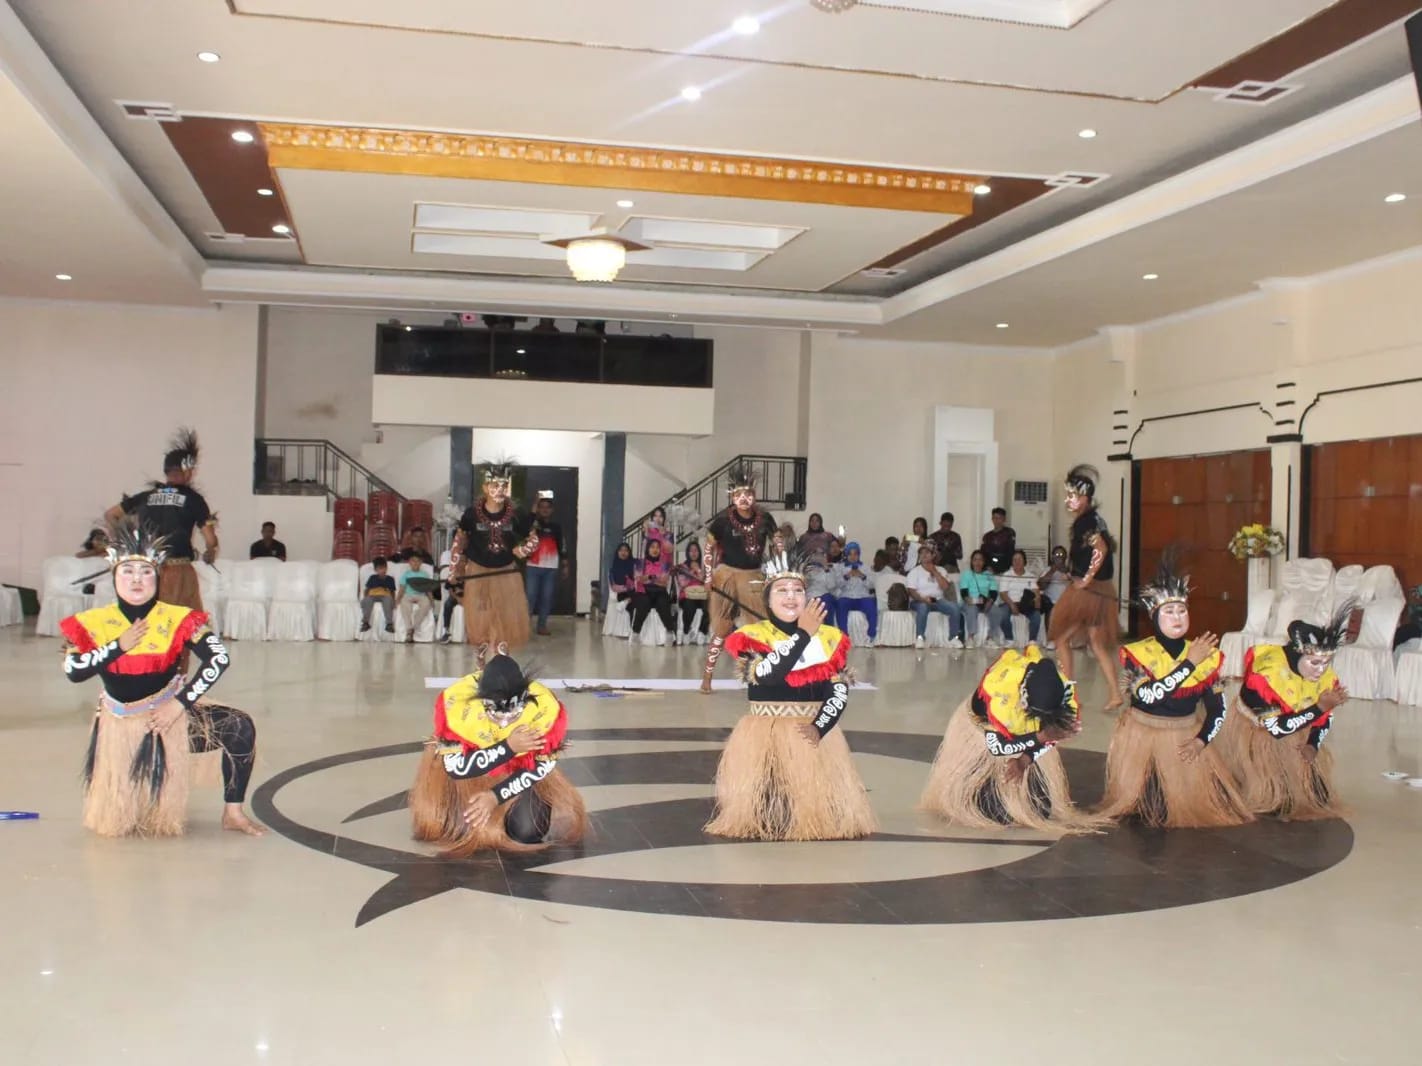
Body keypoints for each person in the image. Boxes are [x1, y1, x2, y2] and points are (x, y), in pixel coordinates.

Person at [58, 522, 261, 837]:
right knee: (122, 823)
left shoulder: (178, 618)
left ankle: (233, 812)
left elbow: (219, 658)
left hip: (167, 718)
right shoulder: (92, 622)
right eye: (128, 572)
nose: (136, 579)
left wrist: (179, 705)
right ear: (114, 577)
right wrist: (118, 646)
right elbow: (74, 671)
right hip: (120, 725)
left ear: (158, 577)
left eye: (146, 572)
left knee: (239, 727)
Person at [705, 551, 875, 840]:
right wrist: (802, 635)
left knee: (820, 817)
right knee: (771, 816)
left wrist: (819, 727)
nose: (791, 596)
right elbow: (769, 674)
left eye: (798, 590)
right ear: (768, 599)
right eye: (782, 590)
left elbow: (838, 689)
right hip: (766, 737)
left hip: (812, 734)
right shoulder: (753, 636)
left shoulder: (828, 637)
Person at [1097, 559, 1251, 828]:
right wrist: (1189, 663)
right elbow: (1150, 696)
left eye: (1182, 610)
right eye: (1169, 611)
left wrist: (1201, 741)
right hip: (1144, 738)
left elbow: (1218, 710)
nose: (1178, 617)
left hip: (1185, 738)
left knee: (1208, 804)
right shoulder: (1139, 654)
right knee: (1151, 809)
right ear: (1155, 616)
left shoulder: (1205, 655)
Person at [410, 649, 586, 857]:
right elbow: (456, 768)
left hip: (519, 773)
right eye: (496, 716)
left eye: (512, 716)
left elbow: (543, 766)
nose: (504, 723)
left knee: (528, 831)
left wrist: (495, 796)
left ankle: (506, 811)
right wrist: (508, 747)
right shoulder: (457, 709)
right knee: (452, 828)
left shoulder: (545, 711)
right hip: (467, 778)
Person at [920, 646, 1099, 833]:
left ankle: (1013, 795)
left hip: (1024, 744)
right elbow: (996, 747)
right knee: (994, 812)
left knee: (1040, 809)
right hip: (986, 737)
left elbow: (1054, 736)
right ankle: (975, 789)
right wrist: (1039, 737)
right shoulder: (999, 696)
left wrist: (1026, 759)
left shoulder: (1062, 697)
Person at [1218, 606, 1352, 820]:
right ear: (1298, 655)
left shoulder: (1325, 678)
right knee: (1275, 799)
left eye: (1326, 663)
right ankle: (1251, 776)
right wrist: (1319, 707)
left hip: (1297, 726)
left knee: (1318, 796)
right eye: (1315, 663)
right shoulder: (1265, 676)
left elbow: (1325, 718)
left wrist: (1312, 744)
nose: (1320, 670)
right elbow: (1277, 730)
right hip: (1260, 732)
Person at [105, 427, 217, 613]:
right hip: (178, 572)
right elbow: (210, 538)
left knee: (148, 620)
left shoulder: (146, 496)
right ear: (187, 470)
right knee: (183, 622)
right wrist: (211, 549)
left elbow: (110, 514)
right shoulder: (194, 500)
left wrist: (123, 544)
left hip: (147, 571)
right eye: (191, 470)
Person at [1048, 465, 1122, 712]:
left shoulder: (1086, 523)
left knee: (1061, 638)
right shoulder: (1094, 519)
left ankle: (1069, 695)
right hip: (1100, 590)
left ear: (1085, 498)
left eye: (1073, 496)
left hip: (1089, 593)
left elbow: (1101, 548)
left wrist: (1086, 579)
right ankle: (1115, 693)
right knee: (1096, 644)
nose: (1068, 500)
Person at [700, 464, 779, 694]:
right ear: (732, 497)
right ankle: (707, 676)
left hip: (753, 577)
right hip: (726, 576)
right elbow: (709, 548)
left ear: (754, 496)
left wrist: (778, 574)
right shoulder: (722, 521)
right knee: (721, 628)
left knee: (761, 628)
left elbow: (777, 546)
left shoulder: (766, 519)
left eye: (748, 494)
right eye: (739, 494)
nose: (744, 499)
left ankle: (764, 676)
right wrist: (708, 576)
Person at [452, 459, 538, 650]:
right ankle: (481, 658)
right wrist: (454, 571)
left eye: (504, 486)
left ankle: (501, 656)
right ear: (485, 487)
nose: (499, 490)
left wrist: (523, 550)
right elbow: (459, 542)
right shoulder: (471, 514)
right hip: (478, 571)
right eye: (494, 486)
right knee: (480, 616)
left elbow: (534, 538)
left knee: (505, 616)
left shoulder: (516, 514)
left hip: (506, 572)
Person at [524, 493, 568, 637]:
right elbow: (527, 525)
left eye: (547, 507)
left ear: (552, 510)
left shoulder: (556, 527)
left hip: (550, 568)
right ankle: (525, 626)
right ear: (538, 509)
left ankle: (542, 625)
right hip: (533, 566)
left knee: (547, 597)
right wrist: (534, 504)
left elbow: (562, 545)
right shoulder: (533, 524)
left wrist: (565, 564)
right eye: (541, 507)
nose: (544, 510)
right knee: (530, 596)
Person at [905, 544, 963, 650]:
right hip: (918, 600)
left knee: (955, 608)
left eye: (927, 552)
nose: (924, 555)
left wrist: (934, 572)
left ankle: (953, 638)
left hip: (937, 600)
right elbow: (911, 591)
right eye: (921, 553)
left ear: (933, 555)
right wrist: (922, 599)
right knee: (923, 607)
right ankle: (920, 638)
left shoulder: (941, 570)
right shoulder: (914, 571)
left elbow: (945, 587)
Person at [630, 539, 677, 639]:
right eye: (652, 547)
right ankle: (635, 633)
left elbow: (664, 581)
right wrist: (655, 577)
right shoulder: (640, 563)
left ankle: (669, 632)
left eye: (657, 547)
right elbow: (638, 578)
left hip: (660, 591)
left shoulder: (664, 564)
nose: (655, 550)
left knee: (663, 604)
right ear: (647, 549)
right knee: (643, 604)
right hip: (643, 591)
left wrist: (649, 577)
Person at [959, 550, 1005, 648]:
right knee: (971, 609)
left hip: (984, 602)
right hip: (969, 601)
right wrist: (969, 600)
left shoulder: (988, 575)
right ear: (972, 562)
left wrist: (990, 602)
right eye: (975, 560)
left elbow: (993, 592)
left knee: (997, 612)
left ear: (984, 562)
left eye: (980, 560)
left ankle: (990, 638)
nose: (978, 562)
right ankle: (970, 638)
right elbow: (963, 592)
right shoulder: (967, 574)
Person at [833, 541, 878, 641]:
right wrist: (847, 576)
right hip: (846, 596)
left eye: (855, 554)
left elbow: (872, 585)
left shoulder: (865, 568)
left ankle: (872, 634)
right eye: (850, 554)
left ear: (859, 554)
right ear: (846, 555)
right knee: (841, 605)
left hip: (862, 596)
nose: (853, 557)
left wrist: (862, 576)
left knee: (871, 605)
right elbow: (838, 584)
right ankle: (844, 636)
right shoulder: (840, 567)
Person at [998, 550, 1043, 645]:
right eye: (1014, 560)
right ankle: (1009, 639)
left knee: (1036, 615)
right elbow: (1003, 593)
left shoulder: (1030, 576)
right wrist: (1012, 605)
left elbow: (1036, 591)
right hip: (1009, 602)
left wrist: (1037, 599)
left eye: (1019, 559)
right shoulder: (1007, 575)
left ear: (1024, 561)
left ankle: (1032, 641)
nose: (1017, 562)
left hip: (1025, 603)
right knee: (1002, 615)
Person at [395, 552, 436, 643]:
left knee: (426, 604)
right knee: (404, 604)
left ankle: (414, 627)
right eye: (413, 561)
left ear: (421, 563)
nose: (415, 563)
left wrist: (432, 600)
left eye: (418, 561)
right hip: (408, 595)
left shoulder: (424, 575)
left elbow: (428, 589)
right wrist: (397, 599)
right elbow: (402, 589)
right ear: (409, 562)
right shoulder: (406, 574)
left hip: (421, 595)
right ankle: (409, 629)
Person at [675, 542, 710, 642]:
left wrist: (698, 570)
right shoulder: (682, 567)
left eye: (696, 550)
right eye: (691, 550)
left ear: (699, 552)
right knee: (690, 606)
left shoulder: (704, 567)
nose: (694, 553)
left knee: (711, 606)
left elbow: (706, 582)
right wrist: (691, 572)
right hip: (687, 596)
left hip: (701, 595)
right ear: (687, 552)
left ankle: (702, 632)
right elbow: (682, 584)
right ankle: (686, 631)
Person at [1036, 545, 1070, 648]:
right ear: (1052, 557)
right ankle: (1051, 640)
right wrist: (1052, 570)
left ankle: (1066, 640)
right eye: (1056, 554)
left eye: (1061, 554)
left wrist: (1067, 573)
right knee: (1050, 608)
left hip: (1066, 601)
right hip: (1050, 601)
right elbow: (1041, 586)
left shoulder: (1070, 571)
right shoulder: (1048, 569)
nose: (1059, 557)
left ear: (1065, 557)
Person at [360, 557, 397, 634]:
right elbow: (367, 589)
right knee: (368, 601)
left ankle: (389, 624)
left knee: (388, 600)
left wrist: (393, 600)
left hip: (385, 595)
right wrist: (365, 597)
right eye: (380, 568)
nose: (382, 570)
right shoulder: (372, 578)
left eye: (384, 568)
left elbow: (392, 591)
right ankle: (365, 623)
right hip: (373, 595)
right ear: (375, 570)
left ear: (386, 568)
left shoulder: (390, 579)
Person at [607, 542, 637, 625]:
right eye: (621, 550)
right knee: (632, 603)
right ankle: (632, 628)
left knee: (639, 597)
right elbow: (614, 587)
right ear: (617, 552)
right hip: (622, 594)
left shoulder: (633, 564)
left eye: (626, 550)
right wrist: (628, 587)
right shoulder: (613, 568)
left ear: (629, 552)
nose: (623, 552)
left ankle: (627, 601)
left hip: (634, 592)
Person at [980, 507, 1016, 575]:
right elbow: (983, 553)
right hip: (989, 567)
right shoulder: (987, 536)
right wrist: (987, 566)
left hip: (1005, 568)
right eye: (994, 518)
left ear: (1004, 519)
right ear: (992, 519)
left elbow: (1010, 552)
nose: (996, 520)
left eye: (999, 518)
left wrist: (1006, 567)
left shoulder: (1009, 533)